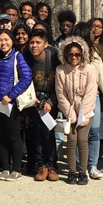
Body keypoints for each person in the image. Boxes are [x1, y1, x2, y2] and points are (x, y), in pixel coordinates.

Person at [70, 22, 103, 179]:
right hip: (74, 99)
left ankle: (92, 166)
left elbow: (101, 75)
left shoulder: (94, 54)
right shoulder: (71, 54)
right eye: (90, 32)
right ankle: (78, 166)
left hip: (93, 97)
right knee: (77, 132)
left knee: (94, 133)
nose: (94, 33)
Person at [0, 29, 32, 181]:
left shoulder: (17, 56)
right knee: (0, 136)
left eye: (6, 39)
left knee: (13, 136)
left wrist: (11, 95)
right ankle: (5, 167)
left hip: (10, 103)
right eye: (0, 40)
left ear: (12, 40)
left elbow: (26, 78)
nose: (3, 43)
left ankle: (17, 169)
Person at [55, 37, 98, 185]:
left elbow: (91, 92)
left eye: (77, 54)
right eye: (71, 54)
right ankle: (72, 172)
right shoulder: (60, 70)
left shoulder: (90, 69)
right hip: (69, 109)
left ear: (82, 54)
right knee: (71, 140)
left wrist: (83, 114)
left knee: (83, 140)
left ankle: (82, 171)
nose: (74, 57)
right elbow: (60, 93)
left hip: (86, 109)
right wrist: (70, 113)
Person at [22, 29, 60, 182]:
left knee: (48, 133)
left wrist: (51, 102)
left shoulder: (54, 57)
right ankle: (41, 165)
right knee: (35, 133)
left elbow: (61, 83)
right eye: (31, 42)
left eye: (38, 42)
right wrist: (32, 99)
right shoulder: (26, 58)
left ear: (46, 44)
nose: (34, 46)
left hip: (51, 99)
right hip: (33, 100)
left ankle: (52, 166)